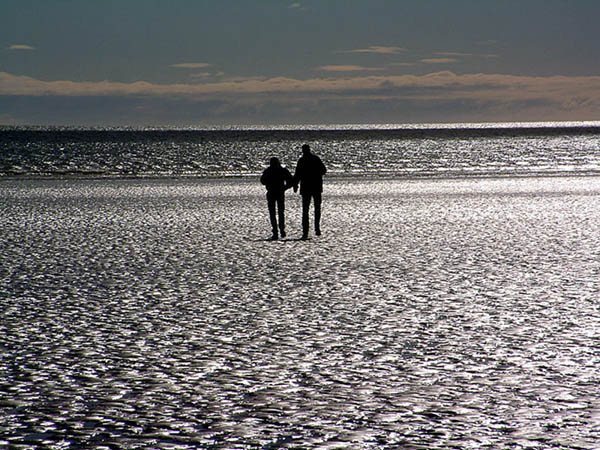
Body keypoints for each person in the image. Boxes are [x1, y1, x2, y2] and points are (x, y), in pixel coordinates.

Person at [293, 144, 327, 240]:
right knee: (314, 208)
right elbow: (323, 170)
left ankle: (309, 230)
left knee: (307, 209)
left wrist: (295, 184)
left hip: (308, 187)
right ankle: (315, 228)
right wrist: (295, 184)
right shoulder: (314, 159)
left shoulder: (303, 160)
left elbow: (297, 174)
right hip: (314, 187)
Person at [260, 157, 293, 240]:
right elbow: (290, 181)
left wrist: (284, 187)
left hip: (273, 192)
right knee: (280, 212)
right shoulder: (281, 170)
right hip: (278, 192)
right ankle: (281, 230)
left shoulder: (269, 170)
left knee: (273, 213)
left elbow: (263, 181)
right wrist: (285, 187)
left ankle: (276, 231)